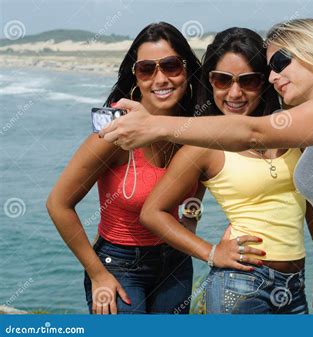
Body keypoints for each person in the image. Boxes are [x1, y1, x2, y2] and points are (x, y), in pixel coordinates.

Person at [100, 19, 313, 314]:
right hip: (259, 286)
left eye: (278, 64)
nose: (273, 76)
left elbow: (254, 133)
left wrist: (155, 125)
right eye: (222, 80)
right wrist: (210, 250)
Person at [140, 27, 313, 314]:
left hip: (295, 286)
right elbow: (153, 213)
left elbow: (312, 205)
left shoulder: (290, 129)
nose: (234, 93)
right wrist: (210, 252)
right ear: (210, 81)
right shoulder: (204, 146)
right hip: (239, 286)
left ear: (264, 81)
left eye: (248, 81)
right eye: (222, 80)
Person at [47, 22, 202, 314]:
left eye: (171, 66)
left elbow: (203, 177)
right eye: (147, 69)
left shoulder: (190, 130)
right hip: (119, 265)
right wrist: (97, 274)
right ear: (136, 77)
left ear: (187, 70)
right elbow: (58, 204)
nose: (161, 78)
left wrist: (190, 218)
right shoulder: (115, 133)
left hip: (176, 263)